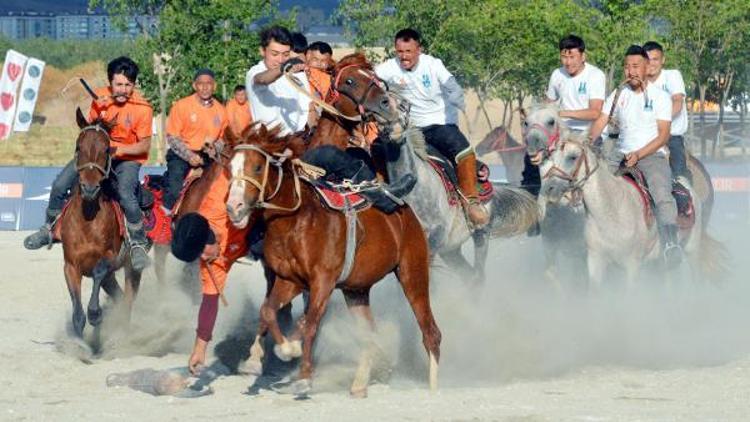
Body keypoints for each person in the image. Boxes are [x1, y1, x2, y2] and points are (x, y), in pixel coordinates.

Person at [24, 56, 154, 270]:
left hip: (127, 159)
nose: (122, 89)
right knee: (59, 185)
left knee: (125, 192)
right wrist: (99, 113)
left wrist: (116, 149)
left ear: (134, 84)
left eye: (128, 85)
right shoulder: (100, 98)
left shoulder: (143, 108)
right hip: (95, 155)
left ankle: (138, 243)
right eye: (118, 84)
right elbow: (90, 133)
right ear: (110, 82)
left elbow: (143, 147)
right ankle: (48, 229)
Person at [374, 28, 488, 226]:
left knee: (464, 151)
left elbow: (450, 83)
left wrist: (457, 97)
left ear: (419, 50)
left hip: (439, 124)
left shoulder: (433, 64)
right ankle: (379, 192)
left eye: (409, 51)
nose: (404, 56)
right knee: (376, 147)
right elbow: (369, 78)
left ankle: (471, 201)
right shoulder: (388, 68)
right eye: (400, 51)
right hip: (409, 127)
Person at [588, 45, 682, 266]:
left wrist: (639, 154)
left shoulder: (660, 97)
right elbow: (601, 121)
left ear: (647, 67)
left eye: (636, 66)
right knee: (592, 184)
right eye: (627, 67)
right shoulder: (618, 94)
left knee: (661, 192)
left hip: (651, 156)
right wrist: (587, 143)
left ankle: (670, 243)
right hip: (619, 155)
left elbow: (663, 135)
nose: (631, 71)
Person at [522, 34, 606, 197]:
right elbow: (548, 104)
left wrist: (563, 113)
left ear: (583, 56)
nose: (568, 62)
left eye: (572, 57)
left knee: (588, 178)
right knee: (532, 155)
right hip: (561, 132)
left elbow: (595, 112)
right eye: (564, 57)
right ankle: (530, 196)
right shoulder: (557, 75)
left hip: (587, 133)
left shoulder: (596, 75)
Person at [162, 69, 228, 214]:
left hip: (208, 156)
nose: (205, 87)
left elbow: (223, 138)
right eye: (200, 84)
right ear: (194, 86)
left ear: (214, 86)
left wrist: (215, 148)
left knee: (221, 185)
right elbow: (172, 137)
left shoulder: (221, 111)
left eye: (209, 84)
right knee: (174, 188)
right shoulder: (182, 106)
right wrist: (190, 156)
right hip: (181, 155)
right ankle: (165, 217)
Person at [246, 26, 311, 135]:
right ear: (262, 51)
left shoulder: (298, 75)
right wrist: (284, 67)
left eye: (285, 54)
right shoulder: (255, 72)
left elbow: (309, 108)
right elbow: (262, 79)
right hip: (267, 142)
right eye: (274, 54)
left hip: (297, 140)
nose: (280, 60)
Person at [643, 41, 690, 183]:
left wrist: (657, 123)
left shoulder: (672, 76)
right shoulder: (638, 82)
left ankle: (684, 198)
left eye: (655, 59)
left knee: (678, 175)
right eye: (647, 59)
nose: (651, 63)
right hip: (644, 136)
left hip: (670, 136)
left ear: (663, 60)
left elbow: (677, 102)